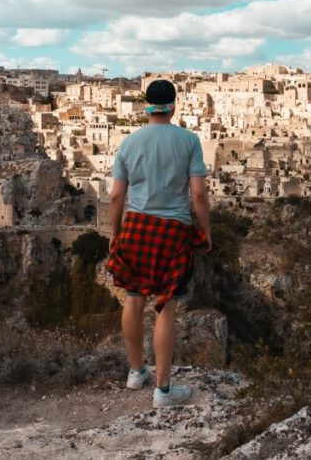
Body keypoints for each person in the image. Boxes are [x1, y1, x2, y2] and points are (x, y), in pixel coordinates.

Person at [106, 79, 211, 408]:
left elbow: (115, 195)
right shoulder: (189, 140)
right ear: (174, 106)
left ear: (146, 106)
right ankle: (163, 390)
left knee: (133, 299)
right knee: (166, 307)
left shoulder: (129, 142)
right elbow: (198, 194)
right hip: (173, 230)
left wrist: (115, 232)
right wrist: (205, 231)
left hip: (136, 227)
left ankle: (136, 372)